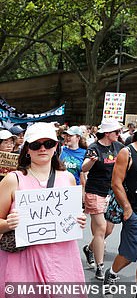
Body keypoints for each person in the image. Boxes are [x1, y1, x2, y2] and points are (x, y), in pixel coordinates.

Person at [0, 122, 87, 288]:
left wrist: (79, 220)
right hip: (23, 264)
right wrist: (7, 224)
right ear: (26, 149)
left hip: (63, 260)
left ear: (56, 147)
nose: (42, 149)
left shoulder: (67, 178)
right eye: (35, 145)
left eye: (48, 144)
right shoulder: (13, 180)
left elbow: (71, 219)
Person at [103, 115, 137, 287]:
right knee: (130, 254)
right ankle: (113, 272)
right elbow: (116, 183)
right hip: (134, 210)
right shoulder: (127, 152)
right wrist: (127, 208)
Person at [81, 118, 124, 279]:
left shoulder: (119, 147)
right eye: (116, 132)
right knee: (100, 228)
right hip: (95, 191)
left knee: (108, 229)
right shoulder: (94, 148)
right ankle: (100, 267)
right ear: (107, 133)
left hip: (112, 192)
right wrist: (91, 163)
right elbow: (84, 167)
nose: (119, 134)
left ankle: (90, 248)